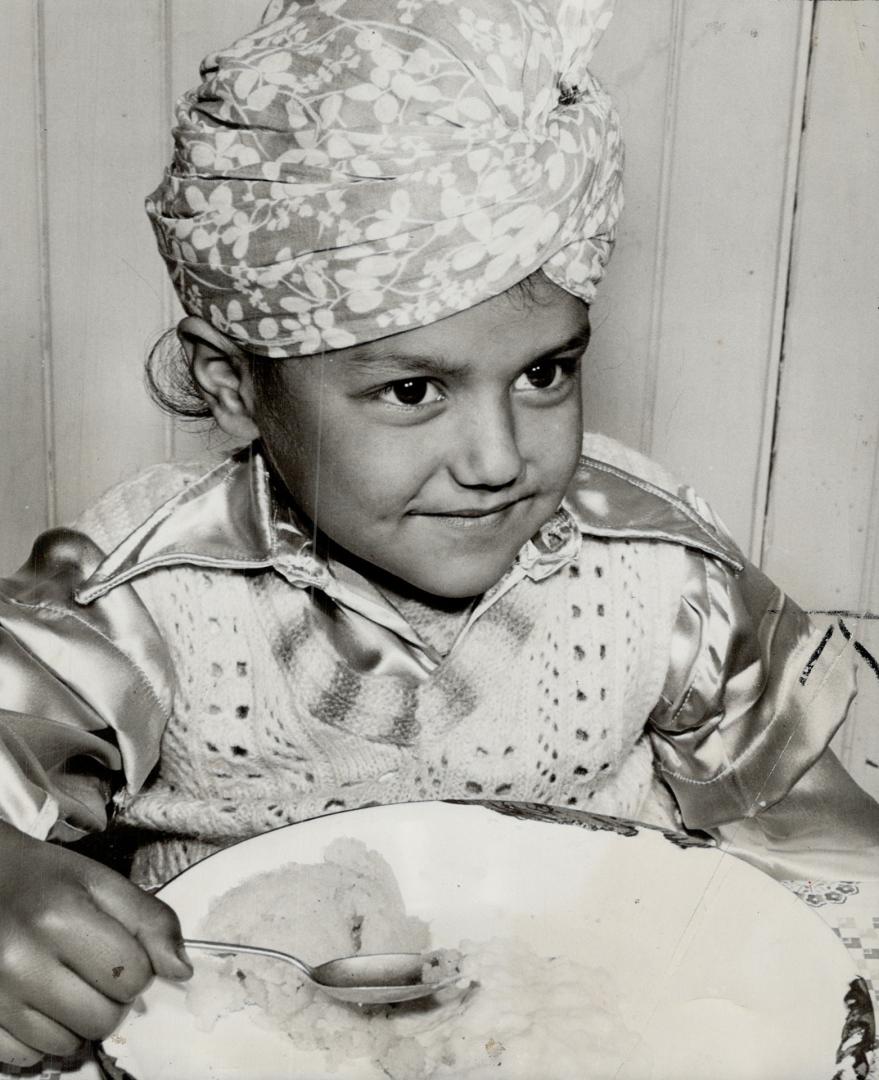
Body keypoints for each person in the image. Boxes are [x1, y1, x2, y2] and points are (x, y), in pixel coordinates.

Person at [0, 0, 876, 1067]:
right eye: (414, 389)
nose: (500, 458)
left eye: (546, 373)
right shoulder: (141, 593)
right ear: (233, 384)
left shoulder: (662, 574)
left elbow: (830, 860)